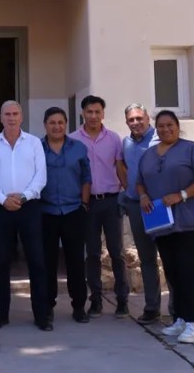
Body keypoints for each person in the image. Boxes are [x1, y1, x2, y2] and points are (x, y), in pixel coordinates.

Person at [135, 110, 194, 344]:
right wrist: (143, 196)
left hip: (189, 222)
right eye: (161, 126)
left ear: (178, 126)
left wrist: (182, 194)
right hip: (162, 224)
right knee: (173, 273)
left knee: (191, 273)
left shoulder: (191, 149)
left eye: (170, 124)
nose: (165, 129)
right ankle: (180, 318)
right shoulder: (148, 155)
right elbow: (139, 182)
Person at [0, 100, 51, 331]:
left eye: (15, 114)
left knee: (36, 261)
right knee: (1, 262)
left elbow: (41, 176)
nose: (11, 118)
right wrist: (3, 199)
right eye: (7, 114)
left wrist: (23, 197)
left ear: (21, 116)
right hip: (1, 209)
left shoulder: (34, 143)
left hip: (29, 207)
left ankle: (41, 315)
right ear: (1, 117)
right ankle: (1, 314)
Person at [70, 95, 129, 318]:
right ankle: (95, 299)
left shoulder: (114, 139)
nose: (93, 116)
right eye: (89, 111)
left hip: (111, 201)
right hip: (87, 203)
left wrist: (129, 194)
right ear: (82, 113)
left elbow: (120, 169)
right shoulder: (73, 139)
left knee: (117, 252)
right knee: (92, 253)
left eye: (97, 112)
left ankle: (122, 300)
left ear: (103, 114)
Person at [119, 103, 173, 324]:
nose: (136, 123)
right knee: (147, 259)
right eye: (131, 119)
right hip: (136, 205)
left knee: (169, 257)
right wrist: (127, 190)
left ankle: (177, 308)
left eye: (139, 118)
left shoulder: (160, 139)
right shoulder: (126, 143)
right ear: (126, 122)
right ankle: (152, 308)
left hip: (159, 206)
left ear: (148, 118)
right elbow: (123, 167)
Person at [40, 107, 91, 324]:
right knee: (47, 262)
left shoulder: (78, 148)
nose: (56, 126)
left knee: (76, 261)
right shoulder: (36, 148)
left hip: (73, 211)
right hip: (45, 212)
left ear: (66, 124)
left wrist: (84, 204)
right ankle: (47, 307)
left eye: (60, 122)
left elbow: (86, 178)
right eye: (52, 122)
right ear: (45, 125)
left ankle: (79, 306)